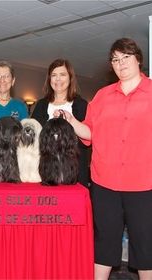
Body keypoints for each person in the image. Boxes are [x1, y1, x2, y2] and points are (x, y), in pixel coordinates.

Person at [57, 38, 152, 279]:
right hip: (104, 183)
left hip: (143, 184)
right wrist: (71, 122)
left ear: (138, 59)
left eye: (126, 57)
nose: (121, 64)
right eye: (115, 60)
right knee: (104, 243)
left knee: (145, 246)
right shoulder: (102, 95)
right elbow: (90, 132)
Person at [31, 58, 90, 187]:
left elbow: (87, 140)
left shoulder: (81, 105)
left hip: (75, 174)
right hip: (45, 174)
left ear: (70, 78)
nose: (58, 79)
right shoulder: (41, 105)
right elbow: (34, 137)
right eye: (54, 75)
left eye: (62, 75)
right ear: (49, 80)